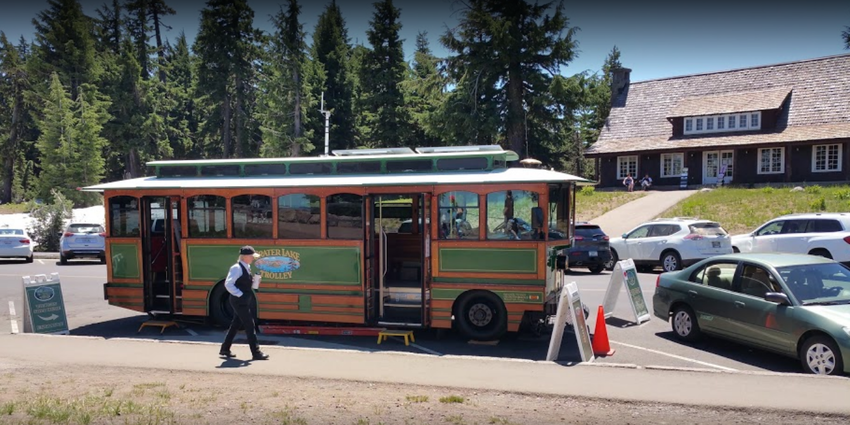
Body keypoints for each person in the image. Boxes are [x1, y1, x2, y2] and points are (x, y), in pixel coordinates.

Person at [219, 246, 269, 360]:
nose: (253, 258)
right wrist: (240, 294)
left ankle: (225, 349)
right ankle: (256, 352)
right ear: (245, 256)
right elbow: (228, 284)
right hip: (239, 301)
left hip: (242, 300)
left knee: (236, 324)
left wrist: (255, 282)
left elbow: (245, 285)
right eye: (251, 256)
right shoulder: (236, 268)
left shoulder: (246, 267)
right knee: (249, 325)